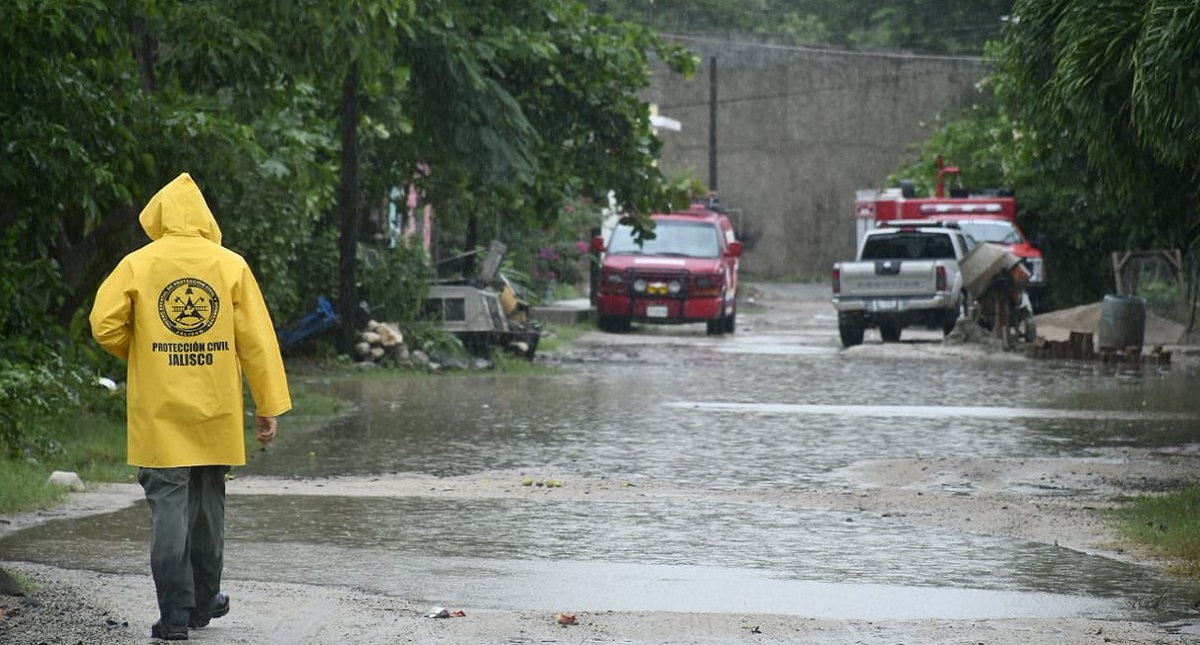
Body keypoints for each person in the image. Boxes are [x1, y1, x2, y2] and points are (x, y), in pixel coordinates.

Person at [89, 172, 292, 641]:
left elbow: (104, 324)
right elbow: (257, 341)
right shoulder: (230, 265)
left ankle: (176, 614)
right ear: (205, 218)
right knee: (207, 506)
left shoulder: (138, 264)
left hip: (160, 411)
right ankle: (205, 600)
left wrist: (140, 348)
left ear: (157, 216)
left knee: (169, 508)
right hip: (215, 408)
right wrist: (268, 404)